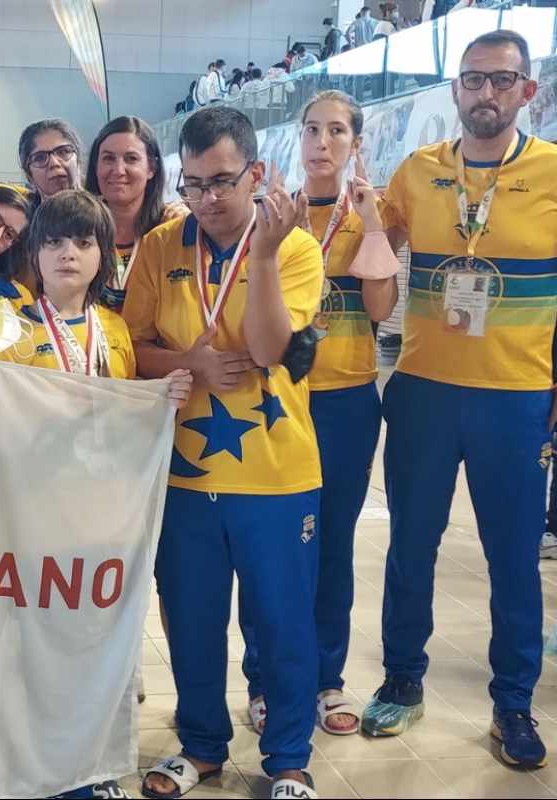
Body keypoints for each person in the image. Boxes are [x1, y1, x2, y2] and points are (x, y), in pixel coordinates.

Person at [359, 30, 555, 769]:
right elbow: (365, 236)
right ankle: (402, 680)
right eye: (473, 80)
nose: (486, 94)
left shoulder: (552, 173)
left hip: (516, 395)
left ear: (526, 92)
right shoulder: (417, 173)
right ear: (455, 89)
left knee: (512, 559)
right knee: (411, 546)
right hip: (426, 394)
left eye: (502, 81)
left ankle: (513, 704)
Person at [0, 189, 192, 800]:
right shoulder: (1, 320)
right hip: (26, 515)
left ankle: (92, 765)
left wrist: (161, 397)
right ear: (34, 253)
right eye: (54, 241)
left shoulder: (114, 329)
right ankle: (17, 759)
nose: (69, 253)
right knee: (23, 645)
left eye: (83, 242)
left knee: (96, 646)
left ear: (102, 257)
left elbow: (125, 412)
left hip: (99, 517)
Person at [123, 105, 324, 799]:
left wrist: (263, 254)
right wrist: (191, 364)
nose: (208, 199)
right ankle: (202, 745)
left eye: (223, 181)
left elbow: (271, 352)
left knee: (283, 621)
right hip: (185, 474)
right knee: (194, 618)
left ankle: (289, 758)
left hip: (277, 473)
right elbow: (130, 351)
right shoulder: (159, 246)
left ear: (256, 174)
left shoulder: (294, 247)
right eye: (194, 183)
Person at [238, 91, 399, 740]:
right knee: (271, 548)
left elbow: (382, 311)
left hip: (346, 402)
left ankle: (327, 677)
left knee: (332, 548)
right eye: (312, 129)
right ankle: (265, 679)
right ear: (297, 140)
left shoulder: (369, 214)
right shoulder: (275, 212)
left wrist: (377, 225)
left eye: (336, 131)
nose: (322, 142)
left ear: (355, 143)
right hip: (280, 398)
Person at [85, 116, 173, 313]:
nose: (118, 170)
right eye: (108, 158)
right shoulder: (78, 229)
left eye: (131, 159)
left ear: (152, 168)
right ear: (95, 166)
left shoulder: (171, 230)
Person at [18, 119, 83, 207]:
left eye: (63, 152)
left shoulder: (102, 216)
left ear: (78, 161)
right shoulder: (22, 219)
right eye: (40, 158)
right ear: (29, 175)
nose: (54, 163)